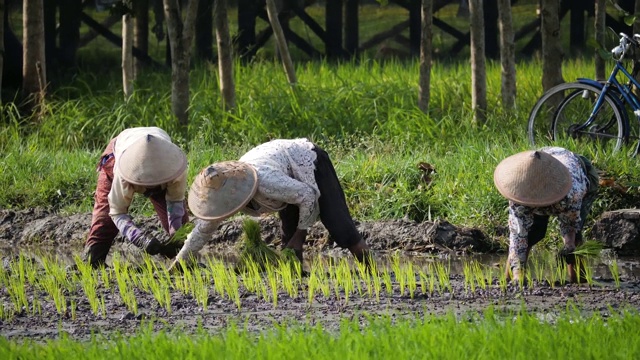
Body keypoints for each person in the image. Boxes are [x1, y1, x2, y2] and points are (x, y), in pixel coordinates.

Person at [171, 138, 372, 268]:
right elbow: (203, 230)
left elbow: (307, 195)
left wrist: (301, 235)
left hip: (308, 160)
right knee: (288, 241)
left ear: (236, 191)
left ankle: (373, 272)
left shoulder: (265, 183)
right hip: (283, 173)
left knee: (339, 225)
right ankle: (296, 285)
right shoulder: (225, 196)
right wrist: (179, 263)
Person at [82, 126, 189, 268]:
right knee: (104, 219)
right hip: (118, 152)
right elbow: (117, 212)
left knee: (182, 224)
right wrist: (140, 238)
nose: (149, 187)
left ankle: (183, 261)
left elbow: (175, 203)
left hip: (159, 160)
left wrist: (177, 237)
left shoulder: (175, 168)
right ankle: (92, 260)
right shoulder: (122, 170)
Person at [493, 146, 599, 283]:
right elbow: (517, 235)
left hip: (578, 171)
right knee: (533, 233)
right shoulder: (519, 194)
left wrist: (569, 244)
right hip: (538, 165)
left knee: (576, 240)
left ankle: (579, 281)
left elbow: (570, 224)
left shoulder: (571, 193)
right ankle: (510, 278)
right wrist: (518, 274)